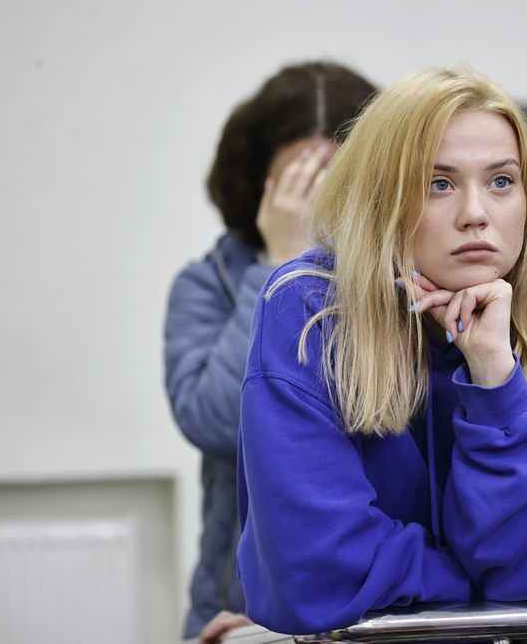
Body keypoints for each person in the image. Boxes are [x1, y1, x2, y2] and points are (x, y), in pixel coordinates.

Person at [235, 67, 527, 635]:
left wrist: (495, 379)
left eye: (501, 181)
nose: (476, 213)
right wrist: (480, 598)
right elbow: (317, 571)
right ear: (381, 198)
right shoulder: (308, 310)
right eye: (439, 184)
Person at [163, 61, 377, 641]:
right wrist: (282, 265)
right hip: (242, 613)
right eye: (299, 181)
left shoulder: (399, 278)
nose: (318, 201)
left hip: (376, 602)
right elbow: (215, 422)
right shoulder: (207, 284)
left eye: (335, 178)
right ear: (261, 183)